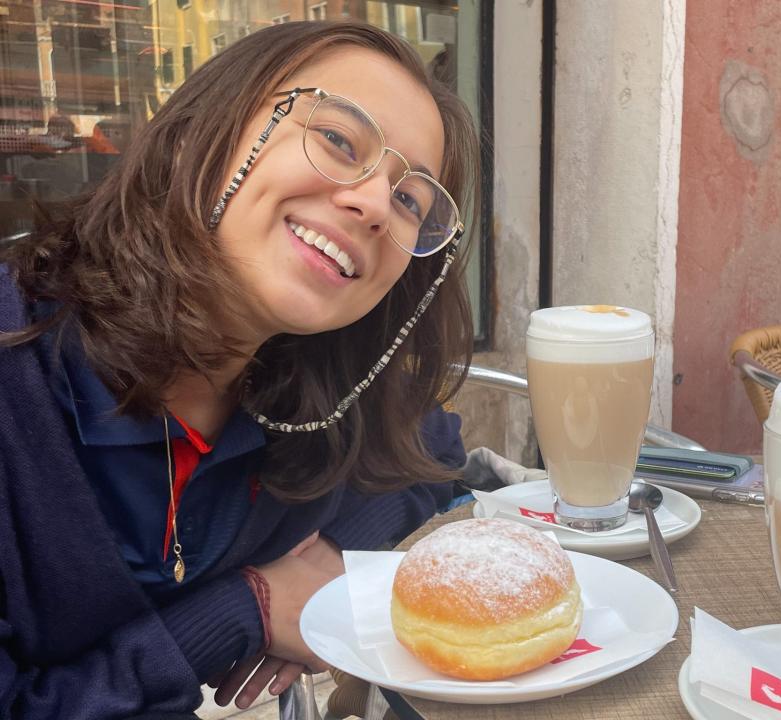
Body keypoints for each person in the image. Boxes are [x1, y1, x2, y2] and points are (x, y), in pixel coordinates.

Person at [0, 19, 479, 720]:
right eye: (340, 140)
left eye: (412, 201)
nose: (375, 204)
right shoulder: (23, 380)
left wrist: (332, 567)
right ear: (201, 130)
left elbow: (434, 453)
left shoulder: (305, 395)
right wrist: (247, 610)